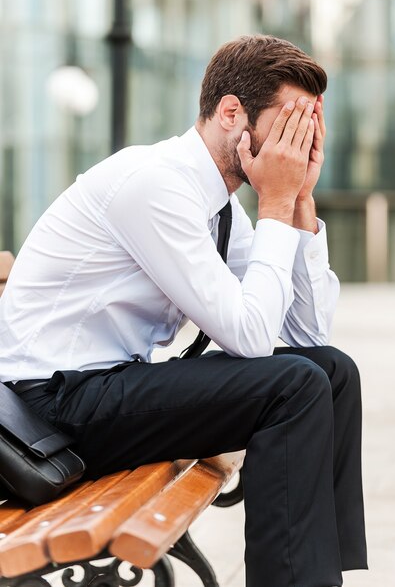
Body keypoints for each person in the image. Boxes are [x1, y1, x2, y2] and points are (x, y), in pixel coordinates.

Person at [0, 35, 367, 587]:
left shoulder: (216, 202)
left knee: (331, 371)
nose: (299, 144)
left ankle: (315, 574)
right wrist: (272, 202)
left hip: (103, 388)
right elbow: (249, 337)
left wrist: (297, 207)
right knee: (293, 386)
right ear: (230, 113)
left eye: (307, 128)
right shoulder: (155, 183)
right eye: (289, 125)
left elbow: (305, 331)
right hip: (49, 408)